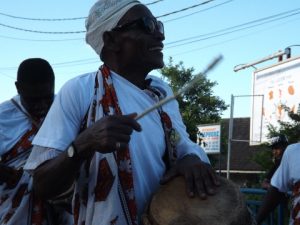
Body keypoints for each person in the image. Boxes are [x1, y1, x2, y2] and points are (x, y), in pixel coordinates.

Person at [24, 1, 220, 225]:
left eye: (159, 25)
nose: (160, 36)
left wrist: (191, 158)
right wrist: (82, 146)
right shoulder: (80, 90)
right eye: (147, 25)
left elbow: (181, 142)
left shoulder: (161, 91)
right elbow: (42, 186)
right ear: (111, 40)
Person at [0, 58, 56, 224]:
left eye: (47, 98)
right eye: (33, 100)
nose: (42, 106)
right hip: (16, 212)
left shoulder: (64, 107)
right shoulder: (3, 117)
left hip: (63, 207)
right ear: (18, 88)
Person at [256, 143, 300, 225]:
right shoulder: (292, 152)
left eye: (277, 148)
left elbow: (276, 186)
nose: (275, 152)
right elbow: (274, 186)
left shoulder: (292, 152)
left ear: (284, 147)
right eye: (273, 149)